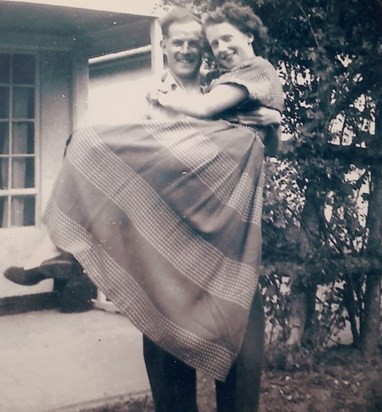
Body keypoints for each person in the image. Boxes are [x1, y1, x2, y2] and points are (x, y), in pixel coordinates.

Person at [4, 3, 283, 412]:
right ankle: (60, 247)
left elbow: (259, 148)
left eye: (195, 44)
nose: (188, 50)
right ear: (165, 48)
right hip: (165, 259)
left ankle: (59, 249)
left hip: (225, 245)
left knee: (241, 365)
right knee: (171, 381)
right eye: (179, 43)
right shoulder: (149, 102)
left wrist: (272, 119)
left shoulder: (221, 91)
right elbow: (130, 178)